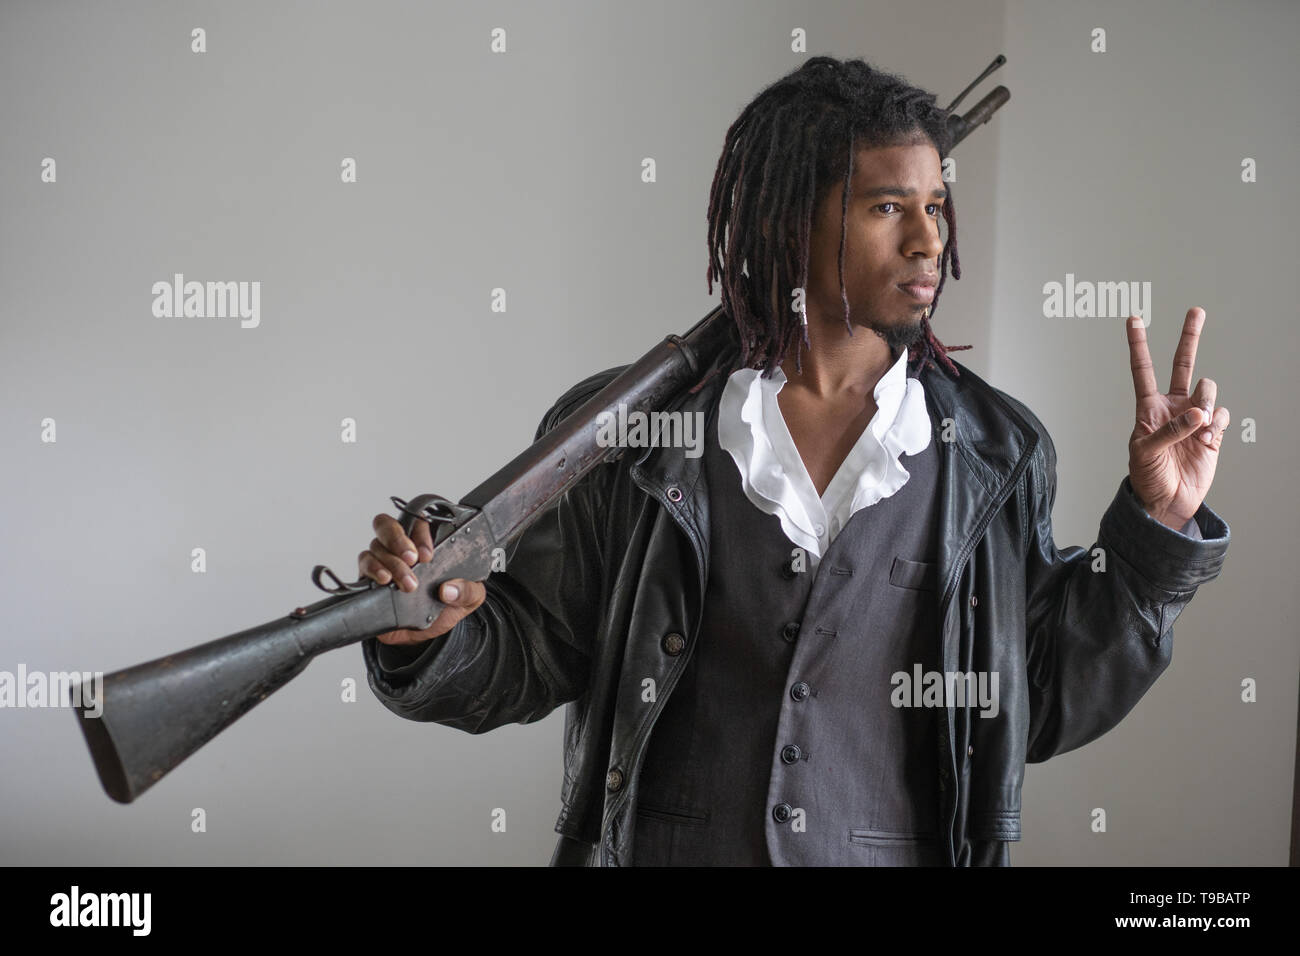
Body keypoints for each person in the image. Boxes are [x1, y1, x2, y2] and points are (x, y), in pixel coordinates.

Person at [357, 56, 1230, 866]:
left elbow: (1032, 694)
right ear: (787, 222)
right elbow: (537, 647)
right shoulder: (629, 434)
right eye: (889, 207)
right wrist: (432, 636)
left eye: (936, 207)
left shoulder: (999, 451)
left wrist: (1159, 526)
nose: (928, 241)